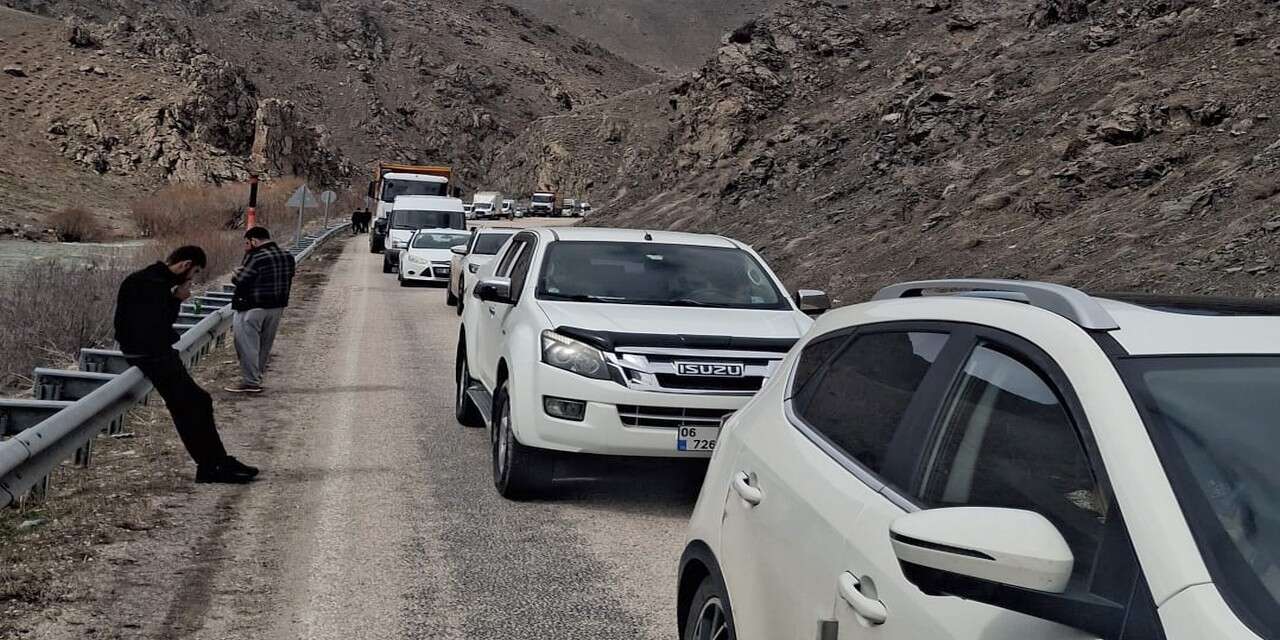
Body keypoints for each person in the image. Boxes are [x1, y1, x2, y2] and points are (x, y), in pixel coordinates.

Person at [114, 246, 259, 484]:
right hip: (149, 354)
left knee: (195, 402)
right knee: (192, 403)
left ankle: (215, 463)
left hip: (153, 352)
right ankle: (211, 466)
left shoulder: (152, 279)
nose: (193, 278)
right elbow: (155, 324)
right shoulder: (153, 284)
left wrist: (174, 299)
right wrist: (175, 299)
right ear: (185, 265)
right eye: (195, 272)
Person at [226, 227, 296, 394]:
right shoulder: (287, 256)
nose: (245, 246)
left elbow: (240, 280)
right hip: (277, 306)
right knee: (264, 345)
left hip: (252, 307)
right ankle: (256, 377)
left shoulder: (255, 257)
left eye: (247, 243)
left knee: (247, 345)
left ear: (254, 241)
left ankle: (251, 382)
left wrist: (235, 273)